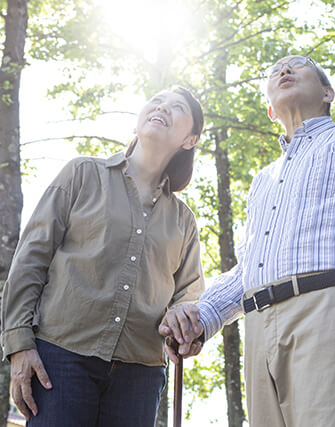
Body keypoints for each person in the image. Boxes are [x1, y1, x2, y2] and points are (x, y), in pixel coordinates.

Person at [160, 56, 335, 426]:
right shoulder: (263, 181)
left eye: (298, 66)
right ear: (271, 111)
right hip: (258, 326)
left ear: (327, 93)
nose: (284, 71)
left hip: (323, 310)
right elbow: (249, 268)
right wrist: (203, 315)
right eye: (275, 71)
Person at [1, 86, 206, 426]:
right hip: (60, 358)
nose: (162, 107)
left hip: (140, 376)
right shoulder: (81, 174)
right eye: (157, 100)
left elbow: (190, 292)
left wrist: (186, 319)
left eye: (177, 107)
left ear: (191, 139)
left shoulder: (184, 221)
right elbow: (30, 259)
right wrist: (19, 344)